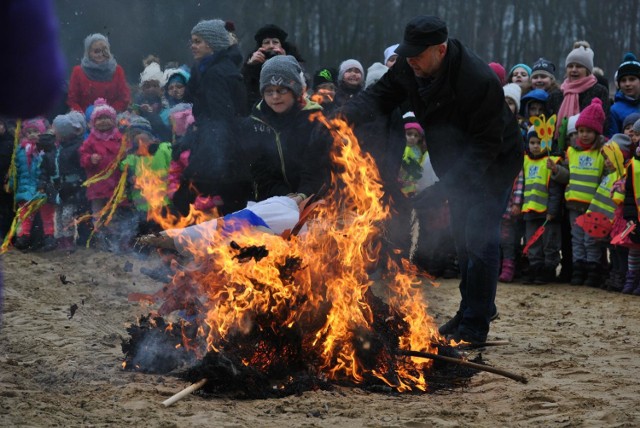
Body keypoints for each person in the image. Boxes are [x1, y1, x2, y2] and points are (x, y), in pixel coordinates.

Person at [340, 15, 523, 343]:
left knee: (479, 237)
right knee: (463, 238)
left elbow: (485, 147)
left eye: (417, 54)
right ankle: (469, 310)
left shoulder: (477, 80)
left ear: (440, 50)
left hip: (494, 162)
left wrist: (444, 190)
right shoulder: (410, 67)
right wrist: (338, 119)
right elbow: (378, 96)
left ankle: (475, 325)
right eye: (407, 54)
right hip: (453, 157)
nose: (410, 60)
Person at [175, 19, 251, 216]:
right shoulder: (212, 68)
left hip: (221, 146)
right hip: (223, 143)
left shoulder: (215, 73)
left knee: (194, 195)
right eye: (192, 41)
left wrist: (205, 158)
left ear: (212, 44)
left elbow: (221, 118)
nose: (193, 46)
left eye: (197, 41)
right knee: (228, 201)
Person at [552, 98, 607, 286]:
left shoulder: (602, 153)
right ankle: (578, 270)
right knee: (577, 239)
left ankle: (593, 272)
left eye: (589, 131)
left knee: (591, 240)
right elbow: (568, 175)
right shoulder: (571, 152)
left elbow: (606, 178)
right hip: (574, 204)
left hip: (594, 205)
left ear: (597, 132)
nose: (584, 135)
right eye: (581, 131)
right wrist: (556, 171)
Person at [520, 125, 563, 284]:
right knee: (532, 242)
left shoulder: (552, 161)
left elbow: (555, 191)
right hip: (530, 210)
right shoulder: (525, 161)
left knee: (549, 243)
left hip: (547, 214)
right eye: (532, 142)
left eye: (540, 142)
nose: (536, 146)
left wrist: (552, 211)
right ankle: (535, 267)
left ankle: (548, 270)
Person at [39, 112, 88, 251]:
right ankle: (60, 238)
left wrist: (81, 185)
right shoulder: (58, 148)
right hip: (58, 188)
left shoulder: (78, 147)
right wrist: (44, 183)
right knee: (58, 215)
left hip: (72, 187)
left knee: (67, 214)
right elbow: (48, 165)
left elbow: (82, 167)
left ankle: (69, 238)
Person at [10, 118, 57, 251]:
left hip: (41, 189)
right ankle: (24, 237)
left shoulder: (45, 149)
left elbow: (49, 168)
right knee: (25, 215)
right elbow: (17, 168)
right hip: (25, 188)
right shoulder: (21, 150)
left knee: (46, 215)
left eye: (35, 131)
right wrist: (12, 183)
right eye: (29, 132)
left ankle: (49, 237)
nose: (32, 135)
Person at [548, 41, 610, 139]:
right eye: (570, 66)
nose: (573, 69)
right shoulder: (557, 94)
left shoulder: (599, 92)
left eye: (579, 66)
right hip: (559, 150)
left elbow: (604, 124)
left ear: (588, 70)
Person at [242, 24, 304, 111]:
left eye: (275, 42)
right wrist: (250, 66)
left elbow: (303, 83)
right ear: (261, 47)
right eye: (266, 42)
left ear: (281, 46)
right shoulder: (254, 63)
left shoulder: (294, 60)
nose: (271, 46)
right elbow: (243, 88)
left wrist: (287, 62)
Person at [67, 33, 130, 113]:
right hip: (84, 119)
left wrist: (108, 114)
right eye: (96, 51)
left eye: (104, 50)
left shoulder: (117, 70)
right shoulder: (78, 71)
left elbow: (124, 99)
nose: (101, 54)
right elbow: (72, 100)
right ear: (89, 53)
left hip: (112, 118)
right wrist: (83, 116)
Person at [609, 53, 640, 136]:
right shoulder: (614, 110)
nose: (627, 84)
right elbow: (613, 140)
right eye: (623, 80)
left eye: (632, 79)